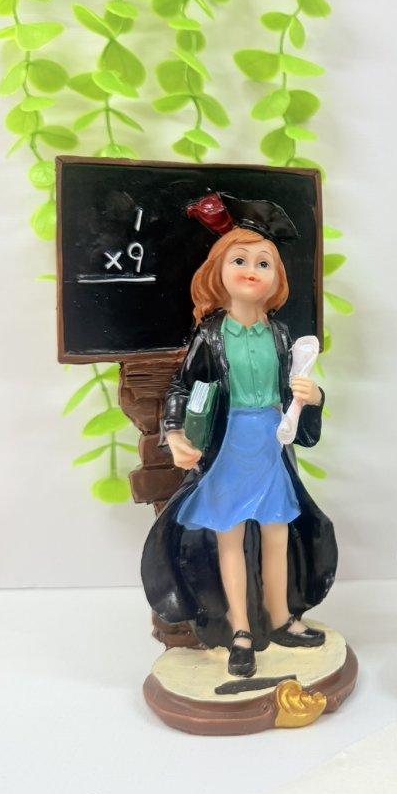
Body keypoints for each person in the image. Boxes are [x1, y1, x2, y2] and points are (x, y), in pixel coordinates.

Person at [141, 191, 337, 677]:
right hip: (227, 445)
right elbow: (181, 387)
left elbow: (294, 389)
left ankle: (281, 616)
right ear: (219, 270)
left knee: (276, 532)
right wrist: (175, 433)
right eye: (240, 260)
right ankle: (241, 629)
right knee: (229, 537)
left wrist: (312, 397)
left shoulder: (281, 335)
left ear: (277, 278)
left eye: (263, 263)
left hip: (269, 441)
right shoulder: (210, 336)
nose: (252, 270)